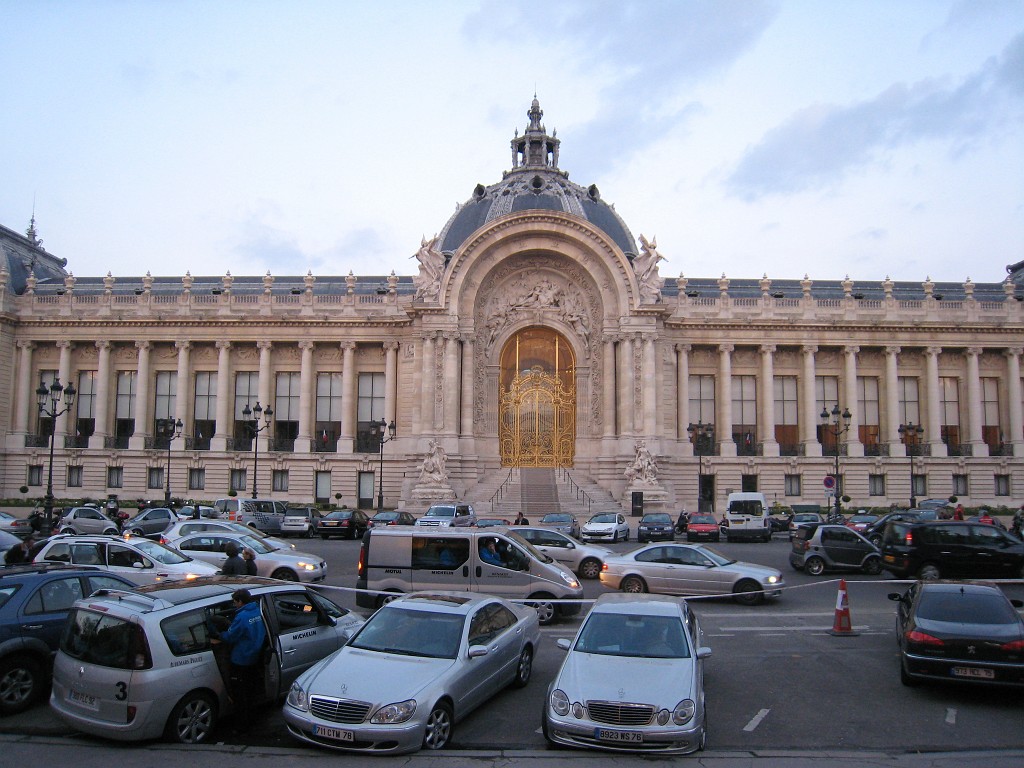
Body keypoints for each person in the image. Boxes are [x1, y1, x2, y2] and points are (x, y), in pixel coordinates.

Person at [211, 589, 266, 734]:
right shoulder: (256, 612)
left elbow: (230, 637)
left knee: (240, 695)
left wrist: (218, 634)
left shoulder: (241, 617)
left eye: (235, 602)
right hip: (254, 658)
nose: (234, 604)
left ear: (241, 601)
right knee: (251, 691)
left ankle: (242, 726)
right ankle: (253, 720)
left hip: (241, 660)